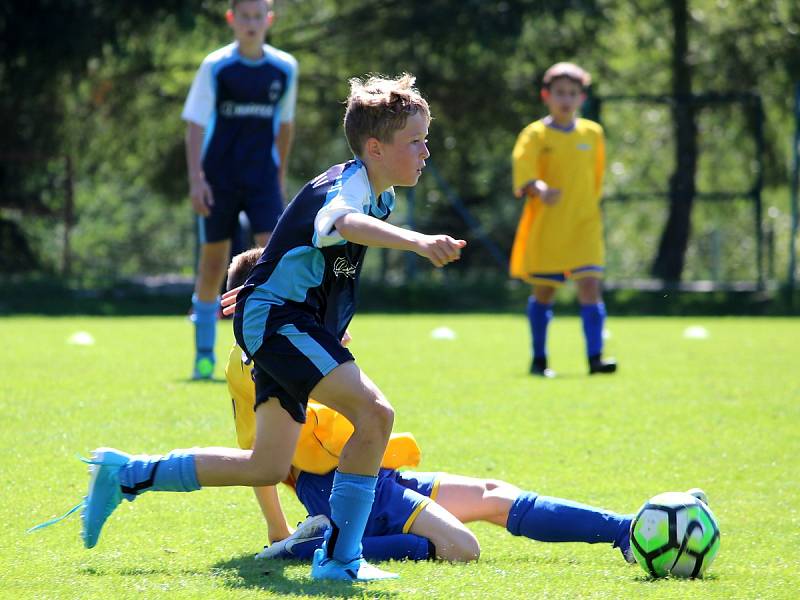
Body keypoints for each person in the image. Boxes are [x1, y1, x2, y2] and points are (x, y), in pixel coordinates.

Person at [71, 73, 465, 582]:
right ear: (376, 147)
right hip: (278, 321)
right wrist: (415, 241)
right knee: (375, 414)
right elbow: (340, 224)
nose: (426, 151)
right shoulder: (347, 189)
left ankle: (127, 474)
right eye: (415, 141)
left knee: (266, 466)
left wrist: (322, 328)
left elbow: (314, 263)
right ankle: (341, 560)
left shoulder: (378, 194)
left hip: (281, 321)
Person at [222, 247, 639, 565]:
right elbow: (257, 458)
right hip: (337, 487)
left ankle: (626, 531)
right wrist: (279, 534)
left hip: (376, 474)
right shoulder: (254, 360)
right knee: (460, 548)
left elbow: (341, 269)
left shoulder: (309, 336)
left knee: (495, 495)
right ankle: (316, 545)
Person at [182, 0, 298, 379]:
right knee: (214, 262)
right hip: (219, 178)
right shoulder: (216, 67)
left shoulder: (284, 68)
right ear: (232, 20)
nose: (252, 23)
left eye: (258, 16)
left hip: (262, 178)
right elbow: (196, 125)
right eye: (244, 16)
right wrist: (197, 179)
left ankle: (274, 347)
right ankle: (203, 355)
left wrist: (278, 176)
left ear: (269, 20)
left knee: (273, 258)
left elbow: (285, 126)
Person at [510, 62, 617, 378]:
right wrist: (539, 187)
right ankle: (539, 360)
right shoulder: (534, 134)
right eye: (560, 93)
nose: (566, 100)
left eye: (572, 93)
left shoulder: (593, 134)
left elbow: (596, 177)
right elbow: (524, 171)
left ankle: (596, 358)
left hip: (585, 224)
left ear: (582, 98)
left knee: (590, 286)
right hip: (549, 227)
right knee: (544, 293)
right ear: (547, 95)